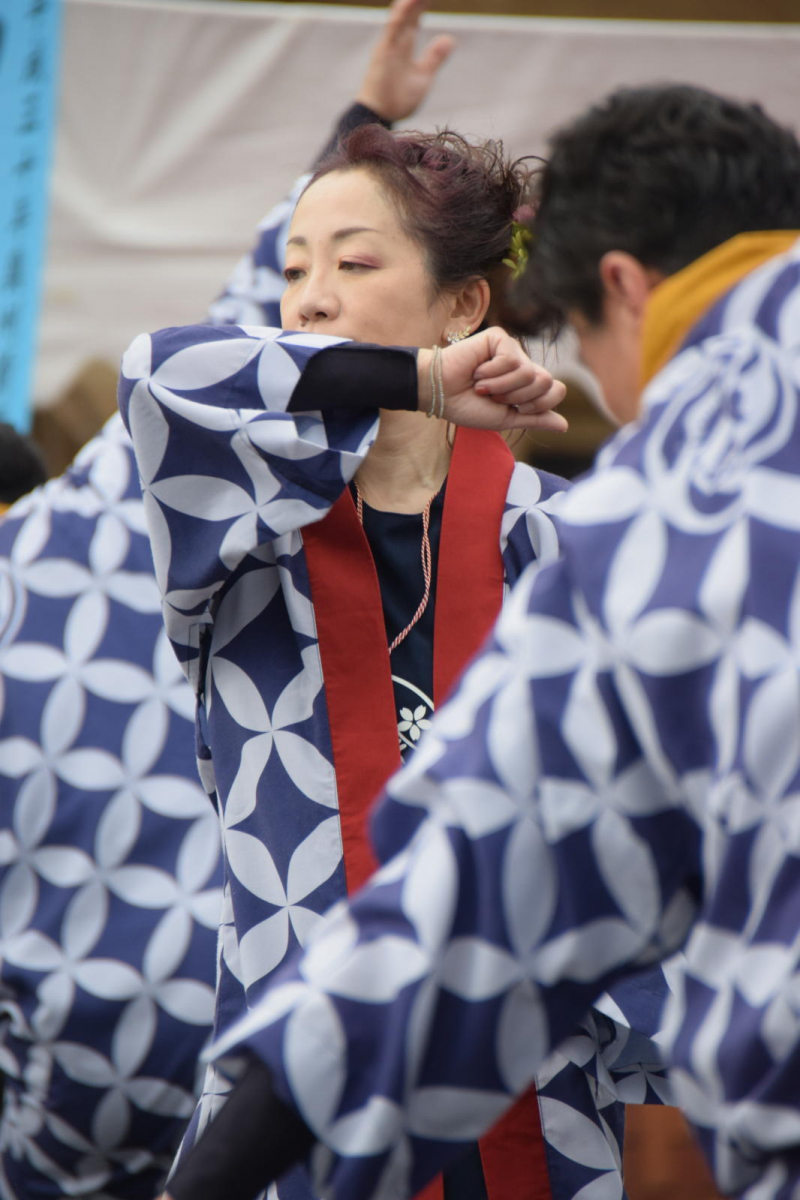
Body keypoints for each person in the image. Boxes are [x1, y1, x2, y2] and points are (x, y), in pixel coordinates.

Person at [147, 83, 800, 1200]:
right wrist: (415, 382)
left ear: (465, 305)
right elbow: (164, 369)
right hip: (296, 1054)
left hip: (554, 1083)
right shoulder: (235, 526)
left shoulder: (578, 526)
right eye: (292, 270)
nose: (305, 301)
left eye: (352, 265)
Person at [0, 8, 464, 1198]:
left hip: (225, 1075)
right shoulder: (95, 513)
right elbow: (267, 313)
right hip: (214, 1080)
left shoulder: (82, 525)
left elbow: (256, 320)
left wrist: (362, 143)